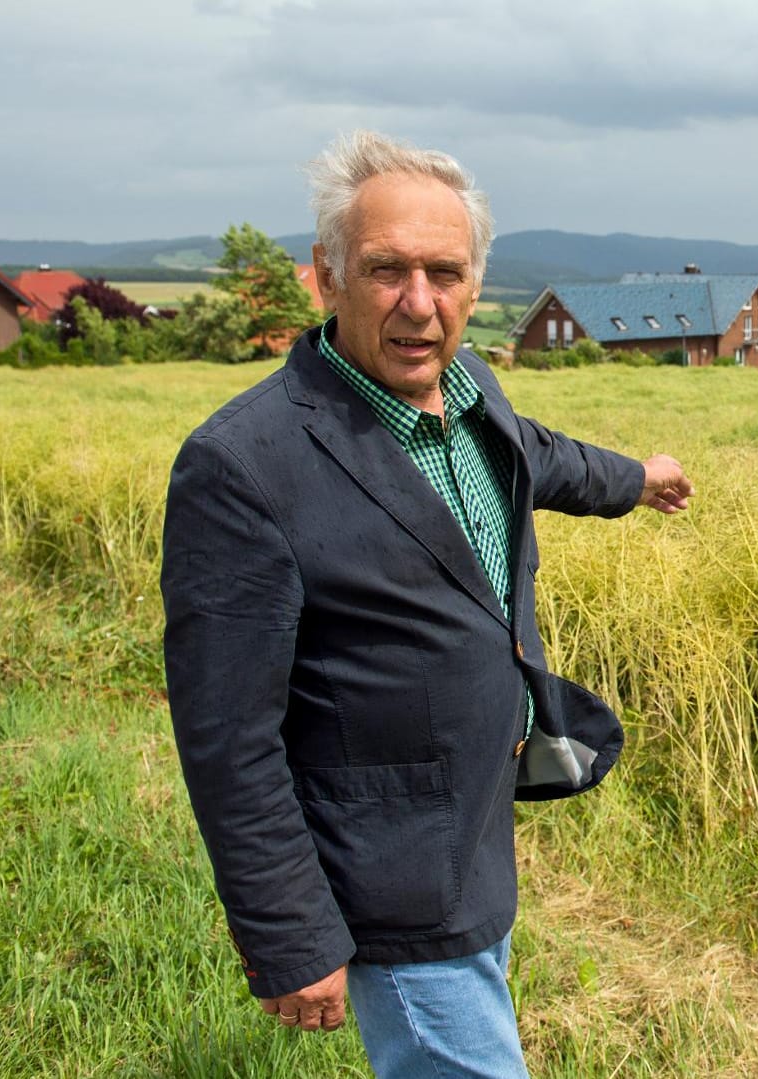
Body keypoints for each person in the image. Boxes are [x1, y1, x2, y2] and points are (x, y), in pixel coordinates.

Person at [161, 130, 692, 1077]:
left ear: (475, 284)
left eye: (444, 272)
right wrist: (290, 932)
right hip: (389, 868)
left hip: (477, 829)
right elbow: (226, 734)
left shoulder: (470, 384)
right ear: (325, 276)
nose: (419, 303)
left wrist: (637, 478)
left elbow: (538, 455)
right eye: (385, 270)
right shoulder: (244, 466)